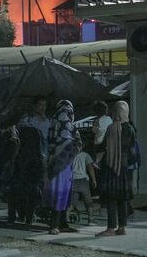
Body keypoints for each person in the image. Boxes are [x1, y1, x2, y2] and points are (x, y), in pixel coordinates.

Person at [96, 101, 135, 237]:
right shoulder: (130, 128)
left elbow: (103, 145)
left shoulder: (112, 128)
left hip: (111, 166)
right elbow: (131, 147)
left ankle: (111, 228)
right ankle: (122, 227)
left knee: (111, 197)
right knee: (122, 198)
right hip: (123, 167)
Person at [45, 100, 81, 235]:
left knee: (61, 192)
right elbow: (73, 141)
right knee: (61, 192)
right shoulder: (67, 123)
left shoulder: (53, 121)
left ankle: (61, 224)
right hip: (63, 163)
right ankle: (54, 225)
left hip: (56, 162)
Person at [6, 126, 44, 226]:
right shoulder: (36, 154)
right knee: (32, 194)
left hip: (20, 173)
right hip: (32, 171)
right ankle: (29, 217)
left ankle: (13, 217)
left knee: (14, 194)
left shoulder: (18, 153)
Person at [69, 141, 97, 225]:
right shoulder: (85, 155)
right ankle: (90, 219)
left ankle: (65, 219)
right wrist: (94, 179)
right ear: (82, 146)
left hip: (72, 180)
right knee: (88, 201)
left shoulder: (70, 155)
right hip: (83, 181)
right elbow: (90, 168)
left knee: (72, 203)